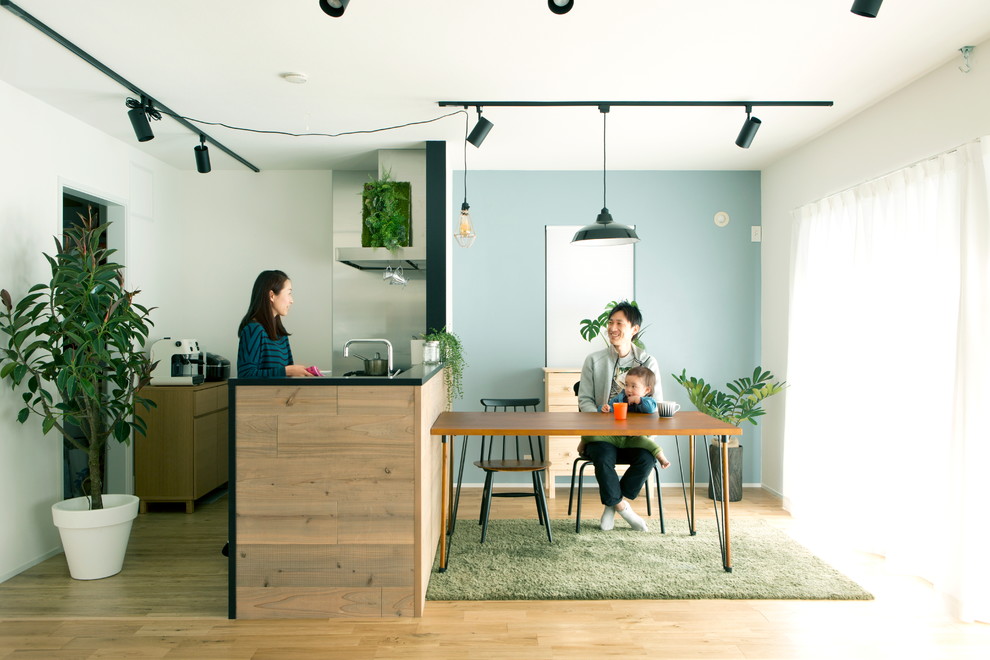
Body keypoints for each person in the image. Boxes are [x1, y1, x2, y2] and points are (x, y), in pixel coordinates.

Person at [577, 302, 667, 532]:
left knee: (647, 458)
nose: (612, 328)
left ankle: (612, 505)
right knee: (601, 456)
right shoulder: (594, 361)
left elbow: (654, 406)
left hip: (634, 436)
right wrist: (600, 419)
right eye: (610, 322)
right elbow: (584, 400)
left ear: (634, 329)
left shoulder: (648, 363)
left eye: (619, 323)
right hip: (603, 436)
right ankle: (623, 508)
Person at [590, 365, 672, 470]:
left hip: (637, 437)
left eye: (633, 386)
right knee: (592, 435)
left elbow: (651, 408)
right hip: (617, 435)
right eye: (626, 385)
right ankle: (583, 444)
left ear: (647, 390)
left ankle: (662, 458)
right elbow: (611, 407)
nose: (628, 389)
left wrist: (638, 400)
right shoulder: (621, 397)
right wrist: (605, 408)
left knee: (650, 445)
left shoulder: (648, 401)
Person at [237, 270, 314, 378]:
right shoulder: (253, 330)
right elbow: (245, 375)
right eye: (289, 293)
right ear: (272, 296)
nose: (291, 300)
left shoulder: (281, 334)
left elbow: (287, 374)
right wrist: (286, 371)